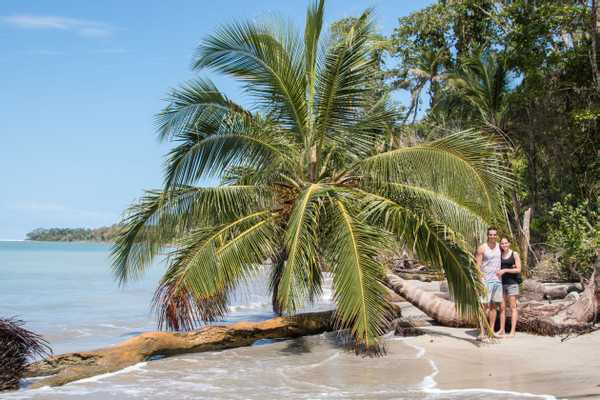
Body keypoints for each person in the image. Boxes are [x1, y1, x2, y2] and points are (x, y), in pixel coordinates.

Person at [475, 227, 503, 339]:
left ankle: (491, 331)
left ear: (497, 235)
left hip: (497, 281)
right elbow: (477, 266)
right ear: (487, 235)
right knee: (484, 307)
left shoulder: (500, 247)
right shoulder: (482, 248)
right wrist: (478, 281)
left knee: (493, 307)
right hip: (485, 281)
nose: (493, 236)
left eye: (494, 234)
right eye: (490, 234)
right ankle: (482, 331)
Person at [497, 237, 521, 337]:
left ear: (509, 243)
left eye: (506, 243)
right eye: (502, 243)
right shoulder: (499, 254)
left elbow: (518, 269)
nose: (504, 245)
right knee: (502, 308)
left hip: (512, 283)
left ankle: (512, 331)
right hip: (501, 283)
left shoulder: (514, 254)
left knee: (513, 307)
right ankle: (502, 329)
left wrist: (505, 270)